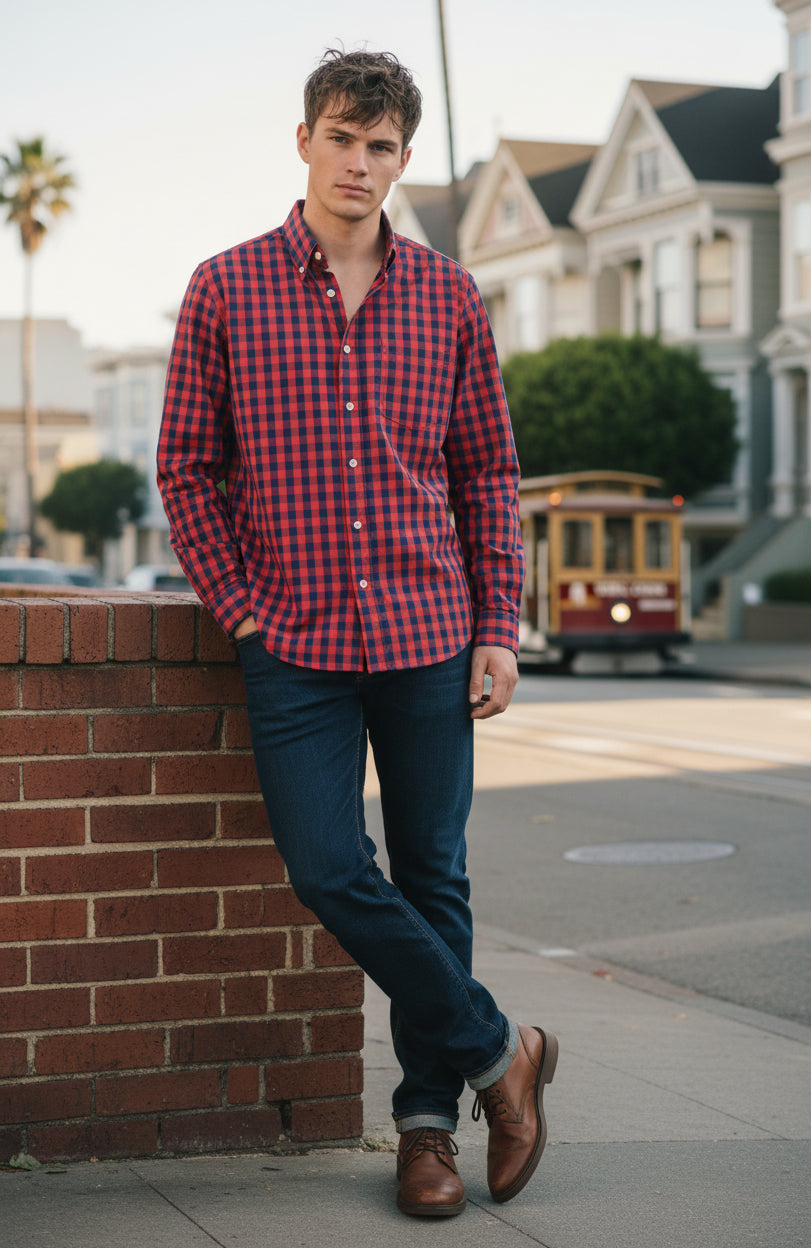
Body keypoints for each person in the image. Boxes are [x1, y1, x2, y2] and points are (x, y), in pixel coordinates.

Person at [157, 47, 557, 1218]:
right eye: (342, 136)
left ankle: (427, 1129)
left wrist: (500, 623)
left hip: (429, 631)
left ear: (402, 159)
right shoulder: (226, 286)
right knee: (330, 866)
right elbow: (184, 469)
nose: (359, 161)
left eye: (381, 146)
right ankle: (503, 1050)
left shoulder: (448, 295)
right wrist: (239, 605)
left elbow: (488, 471)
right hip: (292, 643)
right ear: (305, 141)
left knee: (436, 877)